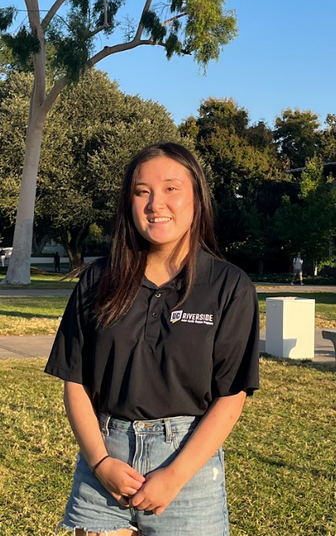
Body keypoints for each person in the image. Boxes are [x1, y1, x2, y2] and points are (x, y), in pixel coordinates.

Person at [45, 142, 260, 536]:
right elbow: (74, 381)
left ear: (197, 196)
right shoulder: (98, 279)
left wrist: (174, 476)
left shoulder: (229, 287)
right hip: (105, 464)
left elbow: (231, 396)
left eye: (171, 189)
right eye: (141, 191)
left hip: (186, 467)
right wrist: (100, 463)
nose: (155, 203)